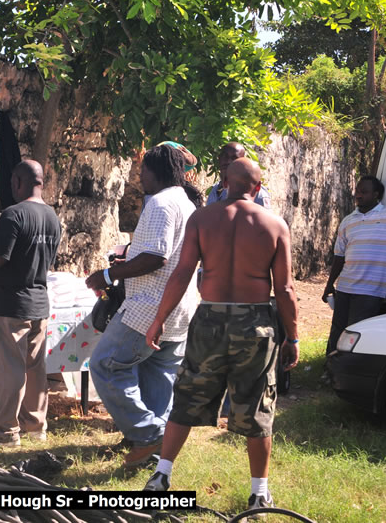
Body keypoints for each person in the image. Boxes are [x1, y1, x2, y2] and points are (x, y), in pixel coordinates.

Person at [142, 158, 299, 516]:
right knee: (258, 403)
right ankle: (259, 494)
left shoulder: (201, 218)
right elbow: (286, 288)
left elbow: (182, 273)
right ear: (258, 188)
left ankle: (161, 476)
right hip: (255, 321)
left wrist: (158, 320)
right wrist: (293, 336)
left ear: (224, 181)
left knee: (188, 393)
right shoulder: (274, 225)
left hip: (209, 318)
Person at [85, 145, 199, 466]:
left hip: (149, 308)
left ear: (156, 170)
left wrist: (108, 274)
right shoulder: (186, 204)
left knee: (106, 364)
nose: (139, 176)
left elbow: (157, 256)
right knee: (157, 374)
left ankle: (149, 434)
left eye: (143, 170)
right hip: (179, 308)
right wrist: (130, 258)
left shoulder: (161, 203)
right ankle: (149, 448)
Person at [0, 159, 61, 447]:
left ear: (18, 182)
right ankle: (36, 426)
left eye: (12, 181)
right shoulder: (52, 217)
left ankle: (5, 433)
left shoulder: (13, 214)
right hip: (38, 302)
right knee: (35, 369)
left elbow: (0, 257)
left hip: (9, 304)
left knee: (9, 369)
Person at [322, 176, 386, 357]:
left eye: (364, 192)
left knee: (356, 332)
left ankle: (350, 370)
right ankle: (330, 368)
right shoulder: (348, 221)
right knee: (337, 330)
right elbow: (339, 256)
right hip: (345, 287)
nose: (358, 195)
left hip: (371, 289)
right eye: (357, 191)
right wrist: (329, 285)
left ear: (376, 194)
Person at [206, 142, 271, 208]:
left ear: (242, 161)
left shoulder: (257, 193)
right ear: (219, 158)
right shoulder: (215, 190)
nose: (228, 161)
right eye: (225, 157)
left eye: (234, 158)